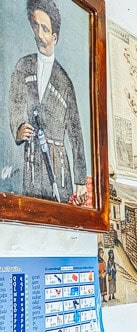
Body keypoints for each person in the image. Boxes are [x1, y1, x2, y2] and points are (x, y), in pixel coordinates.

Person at [7, 0, 88, 205]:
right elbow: (15, 101)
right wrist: (18, 127)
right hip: (32, 160)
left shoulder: (65, 82)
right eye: (36, 26)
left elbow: (76, 132)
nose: (39, 34)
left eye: (45, 29)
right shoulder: (23, 66)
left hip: (57, 165)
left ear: (55, 36)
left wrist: (80, 180)